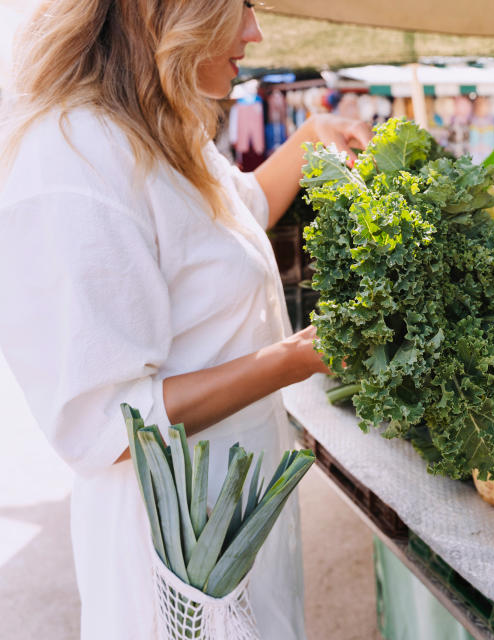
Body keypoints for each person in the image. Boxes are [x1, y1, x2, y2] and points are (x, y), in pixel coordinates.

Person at [0, 2, 371, 638]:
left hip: (236, 509)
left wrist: (313, 139)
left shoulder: (158, 128)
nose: (256, 32)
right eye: (242, 8)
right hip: (172, 542)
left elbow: (240, 211)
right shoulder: (74, 161)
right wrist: (297, 358)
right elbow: (106, 426)